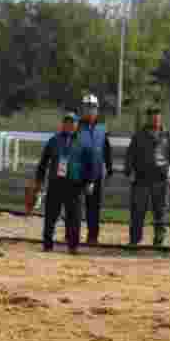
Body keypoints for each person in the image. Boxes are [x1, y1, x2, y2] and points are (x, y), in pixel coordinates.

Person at [34, 111, 90, 254]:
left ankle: (73, 246)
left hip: (75, 184)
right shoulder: (54, 140)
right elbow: (43, 163)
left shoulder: (83, 142)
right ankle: (47, 244)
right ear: (62, 124)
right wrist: (39, 181)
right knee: (51, 215)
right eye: (67, 122)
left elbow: (89, 164)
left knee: (75, 217)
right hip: (56, 183)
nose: (70, 125)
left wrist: (89, 181)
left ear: (77, 125)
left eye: (73, 122)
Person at [124, 107, 170, 246]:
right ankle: (135, 240)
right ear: (148, 118)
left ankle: (159, 240)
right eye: (152, 117)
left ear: (160, 118)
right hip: (141, 181)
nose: (155, 119)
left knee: (160, 212)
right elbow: (130, 155)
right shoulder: (139, 135)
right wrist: (129, 171)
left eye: (157, 117)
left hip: (160, 181)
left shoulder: (168, 136)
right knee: (138, 211)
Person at [78, 93, 112, 246]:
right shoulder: (76, 127)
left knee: (94, 208)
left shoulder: (102, 128)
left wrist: (109, 167)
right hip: (78, 173)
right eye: (87, 108)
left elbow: (106, 149)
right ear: (82, 109)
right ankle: (71, 234)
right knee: (75, 206)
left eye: (92, 108)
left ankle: (93, 236)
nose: (90, 111)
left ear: (97, 110)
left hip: (96, 174)